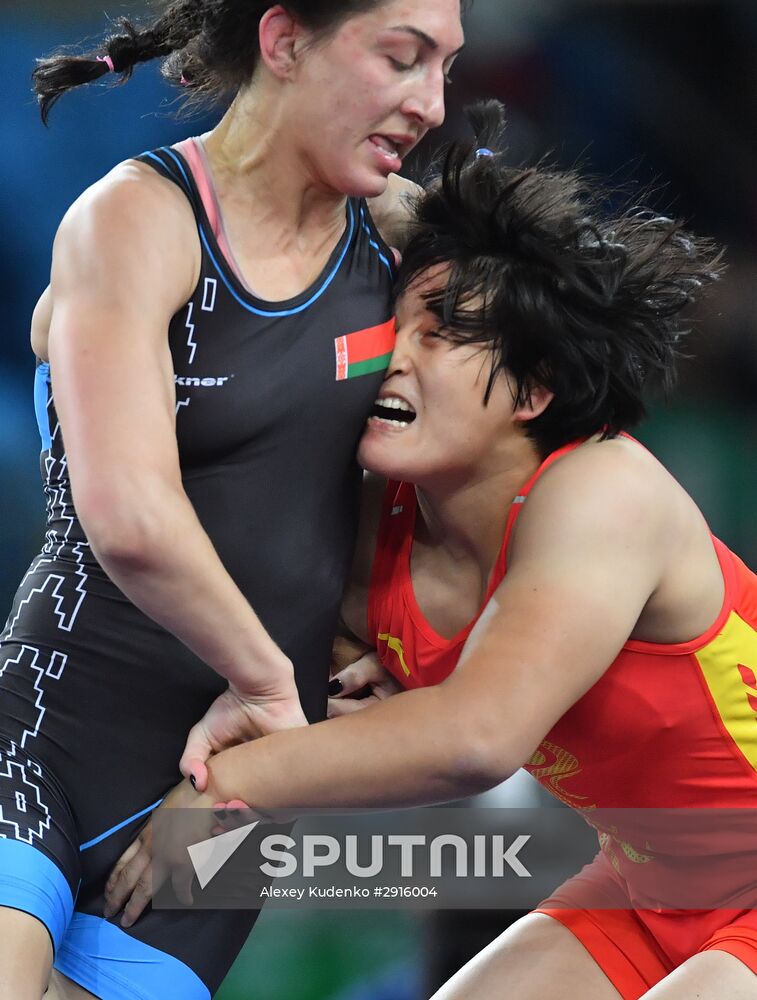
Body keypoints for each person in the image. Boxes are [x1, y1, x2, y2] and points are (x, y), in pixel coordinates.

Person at [107, 101, 757, 1000]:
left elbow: (475, 739)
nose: (394, 358)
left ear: (533, 391)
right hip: (647, 887)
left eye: (441, 333)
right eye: (397, 325)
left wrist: (238, 785)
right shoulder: (375, 518)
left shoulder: (602, 494)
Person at [1, 2, 466, 998]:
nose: (430, 103)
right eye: (402, 58)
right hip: (55, 727)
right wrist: (268, 688)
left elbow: (472, 462)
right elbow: (127, 514)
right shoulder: (136, 220)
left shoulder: (399, 248)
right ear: (285, 39)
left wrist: (386, 635)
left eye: (445, 68)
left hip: (234, 806)